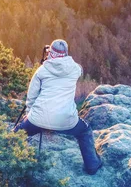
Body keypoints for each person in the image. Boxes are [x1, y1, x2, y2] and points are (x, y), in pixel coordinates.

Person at [14, 39, 102, 175]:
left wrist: (28, 114)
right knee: (84, 132)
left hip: (38, 119)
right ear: (66, 54)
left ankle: (6, 159)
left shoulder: (41, 71)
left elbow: (31, 97)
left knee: (18, 133)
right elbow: (79, 69)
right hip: (66, 120)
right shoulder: (75, 69)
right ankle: (92, 165)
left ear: (50, 53)